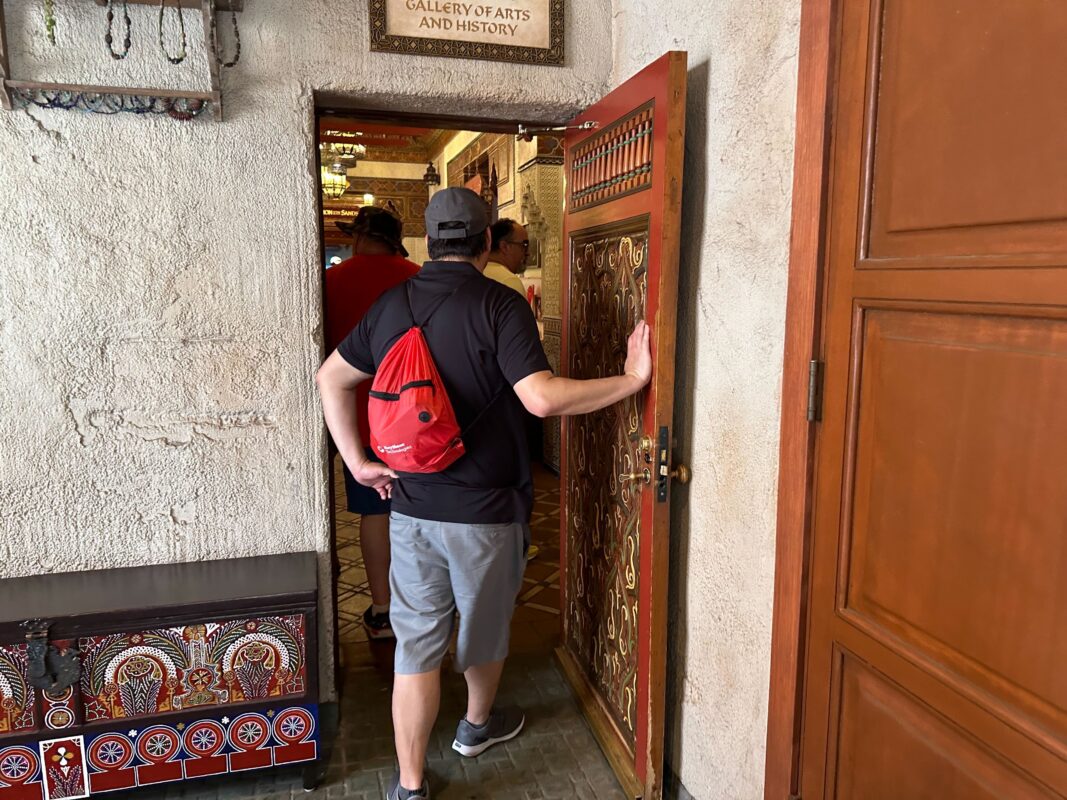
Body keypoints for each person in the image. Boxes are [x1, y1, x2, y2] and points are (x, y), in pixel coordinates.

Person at [316, 188, 652, 800]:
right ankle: (475, 727)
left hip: (410, 505)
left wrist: (359, 463)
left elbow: (331, 378)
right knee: (483, 627)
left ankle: (410, 785)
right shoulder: (499, 304)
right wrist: (630, 380)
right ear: (487, 243)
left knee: (416, 644)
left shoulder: (392, 304)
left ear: (429, 240)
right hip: (487, 511)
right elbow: (540, 399)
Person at [325, 206, 420, 641]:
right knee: (419, 513)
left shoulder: (332, 281)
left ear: (359, 238)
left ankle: (383, 609)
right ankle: (421, 606)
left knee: (375, 512)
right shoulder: (418, 278)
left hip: (358, 420)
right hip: (418, 419)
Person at [483, 218, 528, 296]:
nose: (528, 253)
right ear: (504, 247)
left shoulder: (475, 274)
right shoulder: (509, 282)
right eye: (524, 245)